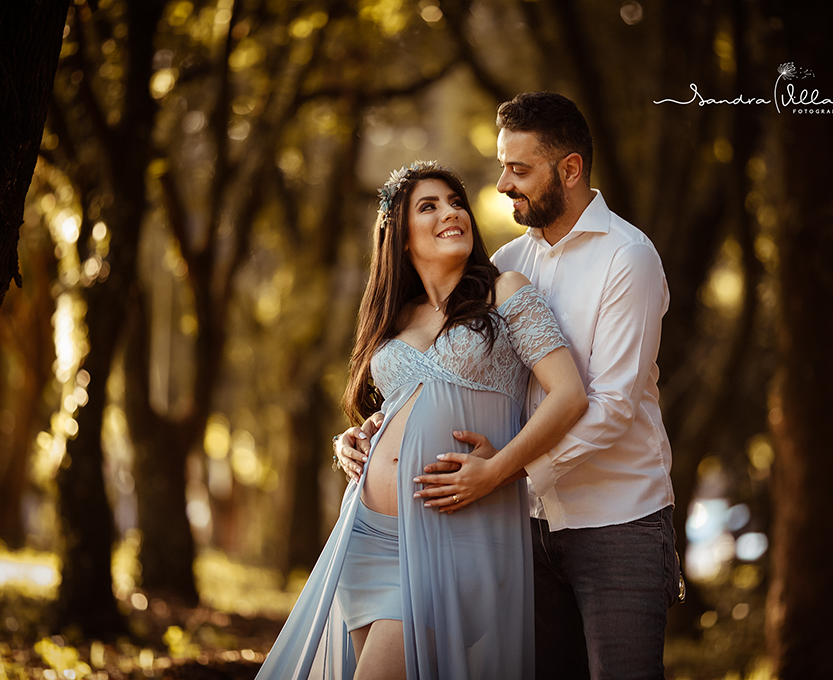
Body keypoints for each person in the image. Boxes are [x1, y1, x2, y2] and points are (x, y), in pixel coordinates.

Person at [337, 93, 682, 680]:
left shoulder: (628, 258)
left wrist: (506, 473)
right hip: (518, 528)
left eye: (518, 170)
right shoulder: (505, 261)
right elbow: (467, 376)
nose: (500, 185)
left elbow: (612, 406)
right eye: (502, 167)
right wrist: (375, 430)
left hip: (615, 521)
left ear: (568, 170)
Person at [257, 160, 586, 680]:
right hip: (367, 535)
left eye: (456, 203)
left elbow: (569, 396)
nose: (450, 213)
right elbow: (397, 409)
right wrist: (353, 438)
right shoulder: (396, 316)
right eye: (429, 207)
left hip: (453, 539)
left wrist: (497, 469)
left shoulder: (504, 292)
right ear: (400, 237)